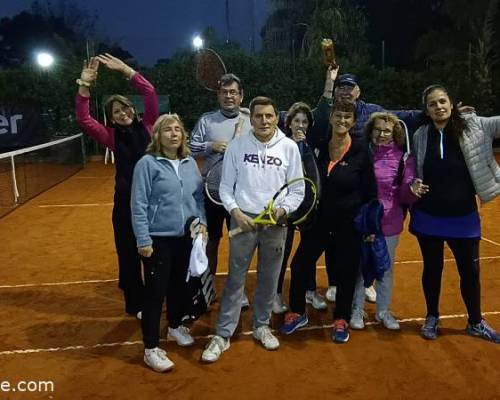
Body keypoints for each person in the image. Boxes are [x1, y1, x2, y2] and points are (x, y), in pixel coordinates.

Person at [201, 96, 304, 362]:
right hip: (243, 220)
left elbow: (297, 190)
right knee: (236, 279)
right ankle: (223, 334)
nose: (264, 121)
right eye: (258, 116)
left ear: (277, 118)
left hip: (276, 224)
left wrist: (282, 210)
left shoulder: (289, 147)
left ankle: (261, 326)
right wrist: (236, 212)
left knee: (269, 279)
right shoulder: (237, 146)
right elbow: (226, 188)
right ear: (252, 118)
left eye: (269, 116)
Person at [280, 101, 377, 343]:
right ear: (331, 118)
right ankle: (297, 312)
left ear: (354, 122)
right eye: (338, 116)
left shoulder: (362, 151)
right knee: (301, 263)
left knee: (346, 271)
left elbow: (370, 192)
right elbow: (308, 183)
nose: (342, 121)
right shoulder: (320, 147)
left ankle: (341, 318)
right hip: (320, 222)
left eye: (347, 117)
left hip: (349, 224)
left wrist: (369, 227)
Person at [410, 84, 500, 343]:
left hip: (464, 216)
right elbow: (414, 165)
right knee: (432, 268)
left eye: (442, 101)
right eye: (432, 104)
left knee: (470, 272)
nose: (438, 107)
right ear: (426, 111)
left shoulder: (476, 126)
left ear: (452, 103)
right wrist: (413, 183)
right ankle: (432, 317)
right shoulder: (421, 135)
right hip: (429, 214)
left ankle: (475, 321)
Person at [75, 54, 159, 319]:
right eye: (116, 112)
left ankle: (156, 297)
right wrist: (84, 87)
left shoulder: (149, 126)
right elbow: (84, 119)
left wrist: (126, 70)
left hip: (154, 203)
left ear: (132, 109)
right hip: (125, 205)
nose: (123, 114)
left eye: (125, 108)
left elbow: (149, 91)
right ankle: (135, 302)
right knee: (129, 254)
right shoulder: (109, 136)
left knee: (154, 254)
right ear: (111, 119)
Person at [131, 114, 207, 372]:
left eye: (178, 129)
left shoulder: (189, 163)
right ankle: (150, 349)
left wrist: (202, 224)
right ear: (158, 136)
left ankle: (175, 326)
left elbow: (197, 199)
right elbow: (138, 204)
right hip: (157, 240)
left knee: (179, 288)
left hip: (186, 237)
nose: (174, 134)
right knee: (155, 295)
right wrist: (143, 239)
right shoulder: (147, 163)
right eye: (167, 130)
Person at [349, 112, 425, 331]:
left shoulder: (404, 159)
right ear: (370, 131)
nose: (381, 134)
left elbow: (405, 195)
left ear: (395, 133)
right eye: (377, 129)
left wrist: (412, 191)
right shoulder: (361, 153)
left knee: (385, 269)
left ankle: (383, 311)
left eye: (387, 131)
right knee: (362, 268)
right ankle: (357, 310)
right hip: (363, 222)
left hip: (390, 224)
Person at [189, 73, 251, 307]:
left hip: (240, 195)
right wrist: (210, 146)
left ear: (241, 96)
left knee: (241, 245)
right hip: (211, 193)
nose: (228, 96)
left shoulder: (250, 119)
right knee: (211, 242)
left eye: (233, 92)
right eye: (224, 92)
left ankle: (238, 290)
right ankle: (209, 286)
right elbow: (189, 147)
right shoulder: (207, 121)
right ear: (218, 95)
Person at [272, 102, 327, 314]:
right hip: (286, 209)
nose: (301, 125)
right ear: (289, 123)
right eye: (297, 121)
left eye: (305, 122)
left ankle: (309, 290)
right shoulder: (281, 145)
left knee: (307, 252)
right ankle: (275, 294)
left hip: (308, 208)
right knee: (282, 253)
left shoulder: (312, 145)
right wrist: (294, 144)